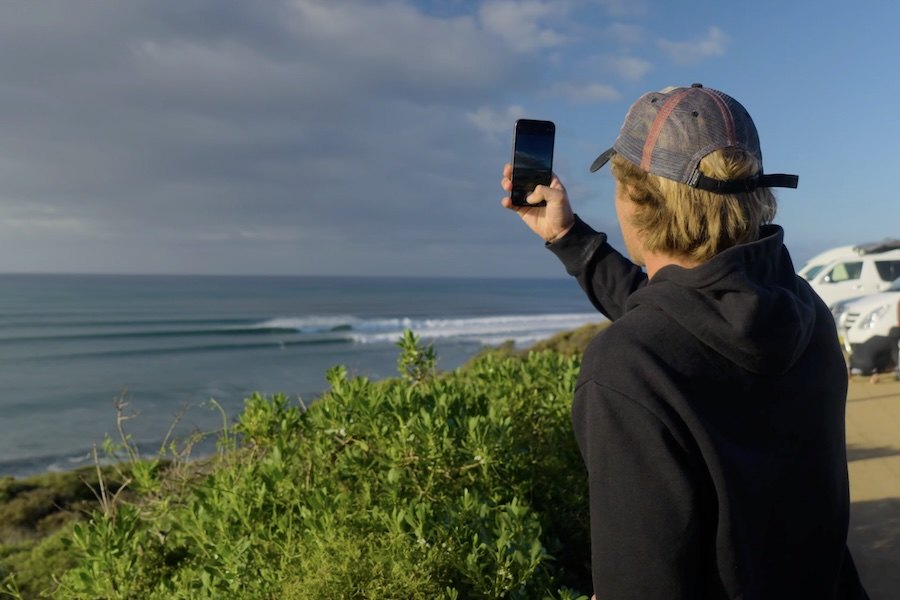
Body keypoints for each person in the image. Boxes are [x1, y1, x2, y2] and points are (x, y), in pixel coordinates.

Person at [501, 84, 869, 599]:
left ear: (634, 200)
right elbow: (683, 313)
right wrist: (568, 239)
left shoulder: (628, 369)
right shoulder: (803, 309)